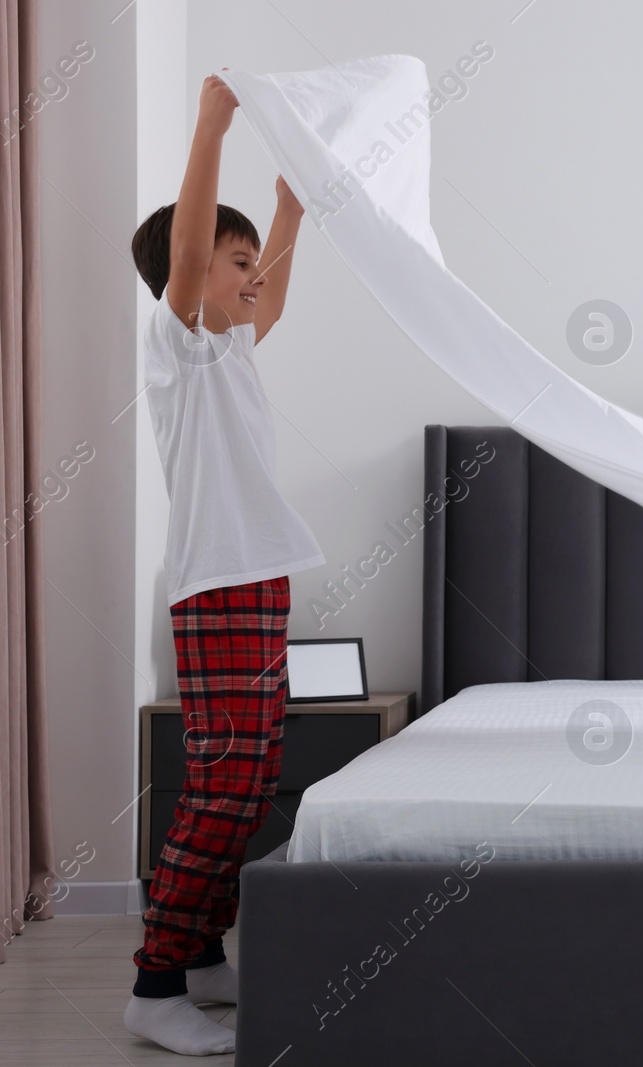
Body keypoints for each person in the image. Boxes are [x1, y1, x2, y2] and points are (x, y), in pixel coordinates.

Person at [124, 72, 323, 1056]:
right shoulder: (179, 344)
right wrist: (212, 123)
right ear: (187, 276)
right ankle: (154, 980)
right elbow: (198, 249)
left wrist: (288, 212)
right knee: (224, 783)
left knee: (253, 779)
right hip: (220, 586)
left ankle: (201, 954)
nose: (249, 278)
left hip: (258, 578)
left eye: (250, 265)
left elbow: (270, 291)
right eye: (232, 262)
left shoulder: (232, 347)